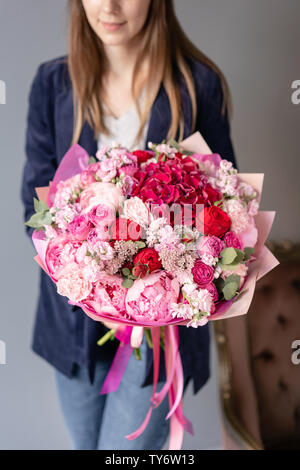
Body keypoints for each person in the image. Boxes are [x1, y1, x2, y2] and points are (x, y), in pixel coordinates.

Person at [21, 0, 237, 450]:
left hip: (160, 332)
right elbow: (34, 204)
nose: (110, 6)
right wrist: (92, 276)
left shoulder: (197, 86)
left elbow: (226, 210)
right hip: (71, 324)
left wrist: (164, 273)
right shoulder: (53, 84)